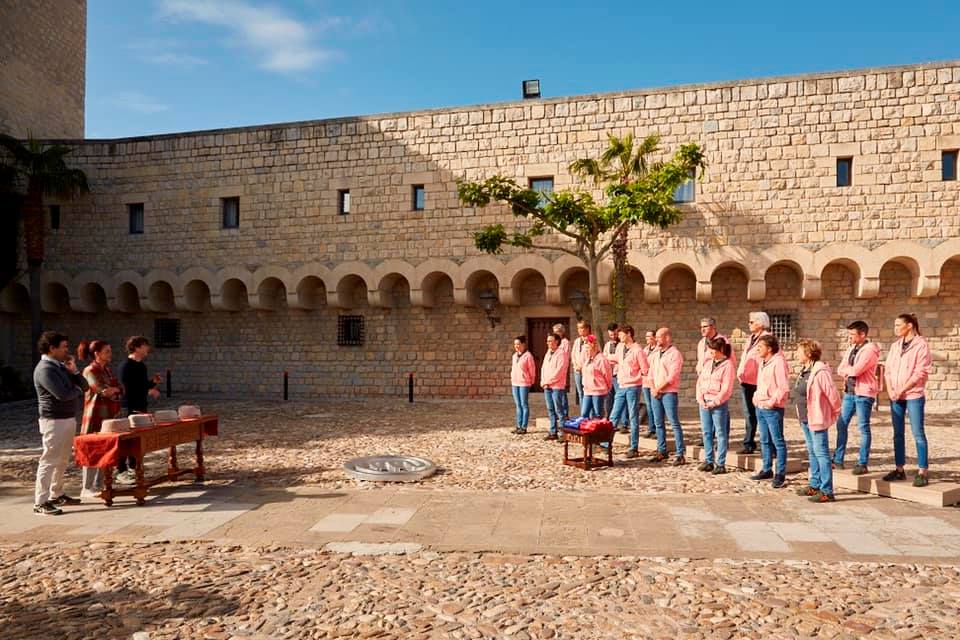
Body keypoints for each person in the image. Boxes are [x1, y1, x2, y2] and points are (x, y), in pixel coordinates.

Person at [32, 331, 87, 516]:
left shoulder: (61, 367)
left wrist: (75, 371)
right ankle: (40, 501)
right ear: (52, 348)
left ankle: (57, 493)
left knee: (62, 459)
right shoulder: (45, 369)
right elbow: (62, 394)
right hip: (53, 420)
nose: (67, 350)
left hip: (67, 418)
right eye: (63, 347)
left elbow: (85, 386)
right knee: (49, 460)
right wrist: (76, 389)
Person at [883, 313, 932, 487]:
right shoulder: (895, 346)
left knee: (918, 433)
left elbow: (920, 372)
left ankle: (922, 471)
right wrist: (890, 390)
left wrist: (901, 389)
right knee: (897, 434)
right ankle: (899, 469)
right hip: (895, 396)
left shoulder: (921, 345)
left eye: (898, 325)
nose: (895, 328)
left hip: (913, 395)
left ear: (909, 325)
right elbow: (887, 370)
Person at [795, 339, 842, 503]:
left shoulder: (820, 371)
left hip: (817, 418)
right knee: (812, 452)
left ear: (808, 354)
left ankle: (827, 491)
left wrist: (835, 412)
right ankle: (814, 484)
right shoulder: (805, 370)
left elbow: (832, 393)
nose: (797, 354)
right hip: (806, 418)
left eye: (799, 351)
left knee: (821, 453)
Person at [833, 321, 881, 474]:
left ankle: (862, 463)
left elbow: (857, 370)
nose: (850, 337)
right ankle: (838, 459)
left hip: (864, 394)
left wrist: (849, 370)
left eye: (852, 334)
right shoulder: (851, 349)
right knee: (841, 424)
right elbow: (841, 368)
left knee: (863, 428)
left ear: (862, 334)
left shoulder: (870, 351)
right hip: (849, 392)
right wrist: (848, 370)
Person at [79, 340, 122, 498]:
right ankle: (87, 487)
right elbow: (104, 391)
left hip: (108, 416)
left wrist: (115, 390)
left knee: (104, 450)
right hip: (94, 415)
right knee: (91, 451)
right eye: (107, 351)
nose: (110, 354)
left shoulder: (107, 370)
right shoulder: (90, 370)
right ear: (97, 353)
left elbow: (118, 388)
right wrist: (114, 390)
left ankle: (99, 484)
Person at [117, 335, 162, 482]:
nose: (147, 348)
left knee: (138, 440)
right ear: (136, 347)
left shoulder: (142, 366)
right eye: (145, 346)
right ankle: (121, 471)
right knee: (126, 440)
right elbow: (128, 389)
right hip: (128, 407)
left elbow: (141, 385)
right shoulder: (126, 366)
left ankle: (134, 468)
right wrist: (148, 391)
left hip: (141, 406)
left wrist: (152, 383)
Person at [751, 334, 790, 488]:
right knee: (764, 440)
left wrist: (771, 402)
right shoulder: (763, 362)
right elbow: (760, 383)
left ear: (769, 348)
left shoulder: (779, 362)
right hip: (760, 406)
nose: (757, 349)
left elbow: (783, 387)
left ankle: (780, 473)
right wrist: (755, 397)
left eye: (760, 347)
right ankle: (767, 469)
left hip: (772, 409)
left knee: (777, 442)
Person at [695, 336, 736, 474]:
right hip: (704, 401)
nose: (711, 354)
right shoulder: (708, 363)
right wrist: (700, 398)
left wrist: (715, 402)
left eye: (713, 352)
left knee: (720, 432)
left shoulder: (728, 365)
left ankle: (721, 463)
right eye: (710, 352)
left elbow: (726, 388)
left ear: (721, 350)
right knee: (706, 432)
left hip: (718, 403)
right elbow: (700, 382)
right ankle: (708, 460)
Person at [648, 326, 685, 465]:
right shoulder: (656, 353)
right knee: (658, 423)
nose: (656, 340)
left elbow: (672, 376)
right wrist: (653, 388)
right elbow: (650, 373)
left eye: (659, 337)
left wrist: (658, 388)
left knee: (674, 423)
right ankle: (661, 450)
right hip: (655, 392)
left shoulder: (675, 354)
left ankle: (680, 453)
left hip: (668, 392)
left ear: (667, 337)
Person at [737, 311, 773, 454]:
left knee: (764, 414)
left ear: (760, 323)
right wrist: (740, 373)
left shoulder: (767, 338)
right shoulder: (750, 338)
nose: (749, 324)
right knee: (749, 414)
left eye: (751, 322)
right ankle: (749, 443)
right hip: (746, 380)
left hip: (759, 382)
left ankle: (770, 446)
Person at [610, 325, 648, 458]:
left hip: (633, 387)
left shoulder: (638, 350)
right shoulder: (620, 348)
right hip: (621, 385)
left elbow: (644, 369)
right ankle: (606, 442)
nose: (618, 336)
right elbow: (616, 359)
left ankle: (634, 447)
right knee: (614, 415)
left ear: (628, 334)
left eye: (620, 334)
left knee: (633, 416)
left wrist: (637, 380)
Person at [541, 332, 569, 441]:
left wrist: (549, 381)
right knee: (550, 409)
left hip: (557, 386)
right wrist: (543, 381)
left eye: (550, 341)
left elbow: (560, 370)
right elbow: (543, 368)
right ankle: (553, 431)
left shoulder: (562, 354)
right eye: (547, 341)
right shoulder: (548, 353)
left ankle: (563, 433)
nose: (548, 343)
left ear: (556, 341)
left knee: (559, 410)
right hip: (547, 385)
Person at [579, 335, 612, 418]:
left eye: (587, 348)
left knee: (597, 413)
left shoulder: (601, 359)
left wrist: (608, 387)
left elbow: (607, 375)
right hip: (587, 390)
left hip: (598, 391)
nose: (586, 351)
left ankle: (598, 430)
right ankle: (587, 428)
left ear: (593, 346)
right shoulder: (588, 359)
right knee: (584, 413)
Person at [603, 322, 627, 432]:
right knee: (609, 399)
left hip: (619, 375)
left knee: (621, 399)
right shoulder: (608, 345)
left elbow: (618, 359)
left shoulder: (622, 345)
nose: (613, 337)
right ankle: (610, 421)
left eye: (615, 334)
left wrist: (611, 359)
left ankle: (624, 423)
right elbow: (605, 357)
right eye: (611, 335)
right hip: (609, 375)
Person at [510, 335, 536, 434]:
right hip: (515, 383)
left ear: (523, 345)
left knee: (524, 404)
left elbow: (532, 370)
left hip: (524, 383)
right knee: (518, 405)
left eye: (518, 344)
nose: (516, 346)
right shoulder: (514, 356)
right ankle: (518, 425)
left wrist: (531, 381)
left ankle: (524, 427)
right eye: (515, 344)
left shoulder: (528, 356)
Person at [640, 330, 657, 438]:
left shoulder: (658, 350)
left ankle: (656, 428)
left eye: (649, 337)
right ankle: (651, 428)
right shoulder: (645, 350)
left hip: (654, 381)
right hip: (645, 381)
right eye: (646, 337)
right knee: (649, 406)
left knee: (655, 406)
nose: (647, 339)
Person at [552, 323, 571, 420]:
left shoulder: (565, 342)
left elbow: (566, 356)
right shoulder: (555, 341)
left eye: (557, 332)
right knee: (557, 393)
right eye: (554, 332)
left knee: (562, 392)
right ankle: (557, 412)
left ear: (562, 332)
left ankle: (565, 413)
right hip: (554, 370)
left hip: (562, 369)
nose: (555, 333)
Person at [570, 320, 591, 408]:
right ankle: (583, 413)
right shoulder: (577, 341)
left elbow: (592, 355)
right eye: (578, 328)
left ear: (587, 329)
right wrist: (576, 365)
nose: (580, 330)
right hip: (577, 370)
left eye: (581, 328)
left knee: (588, 392)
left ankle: (590, 413)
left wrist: (584, 367)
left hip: (587, 370)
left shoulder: (591, 340)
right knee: (580, 392)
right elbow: (573, 355)